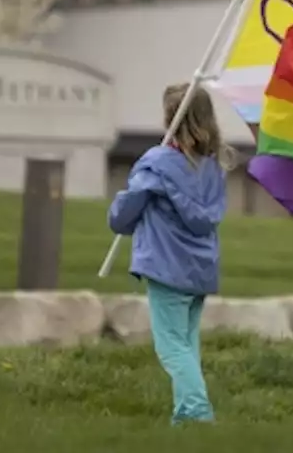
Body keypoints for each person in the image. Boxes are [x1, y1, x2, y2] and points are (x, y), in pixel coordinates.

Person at [107, 83, 233, 425]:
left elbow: (121, 218)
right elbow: (205, 218)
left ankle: (197, 411)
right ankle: (184, 419)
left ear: (170, 118)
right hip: (200, 271)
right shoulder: (214, 168)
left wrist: (132, 193)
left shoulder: (156, 164)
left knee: (172, 348)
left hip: (166, 267)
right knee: (186, 344)